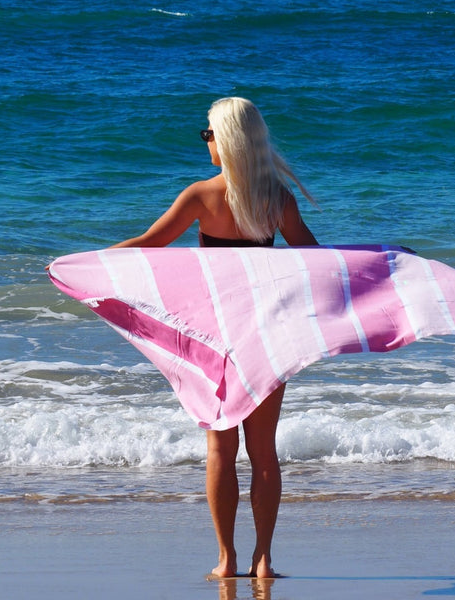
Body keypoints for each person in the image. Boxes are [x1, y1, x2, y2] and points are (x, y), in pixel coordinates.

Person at [111, 97, 318, 579]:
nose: (206, 141)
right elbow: (315, 257)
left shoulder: (201, 196)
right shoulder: (277, 198)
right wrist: (383, 261)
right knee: (263, 449)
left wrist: (84, 260)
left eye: (208, 134)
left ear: (226, 140)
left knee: (221, 450)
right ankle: (263, 559)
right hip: (267, 334)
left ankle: (226, 561)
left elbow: (146, 247)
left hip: (216, 338)